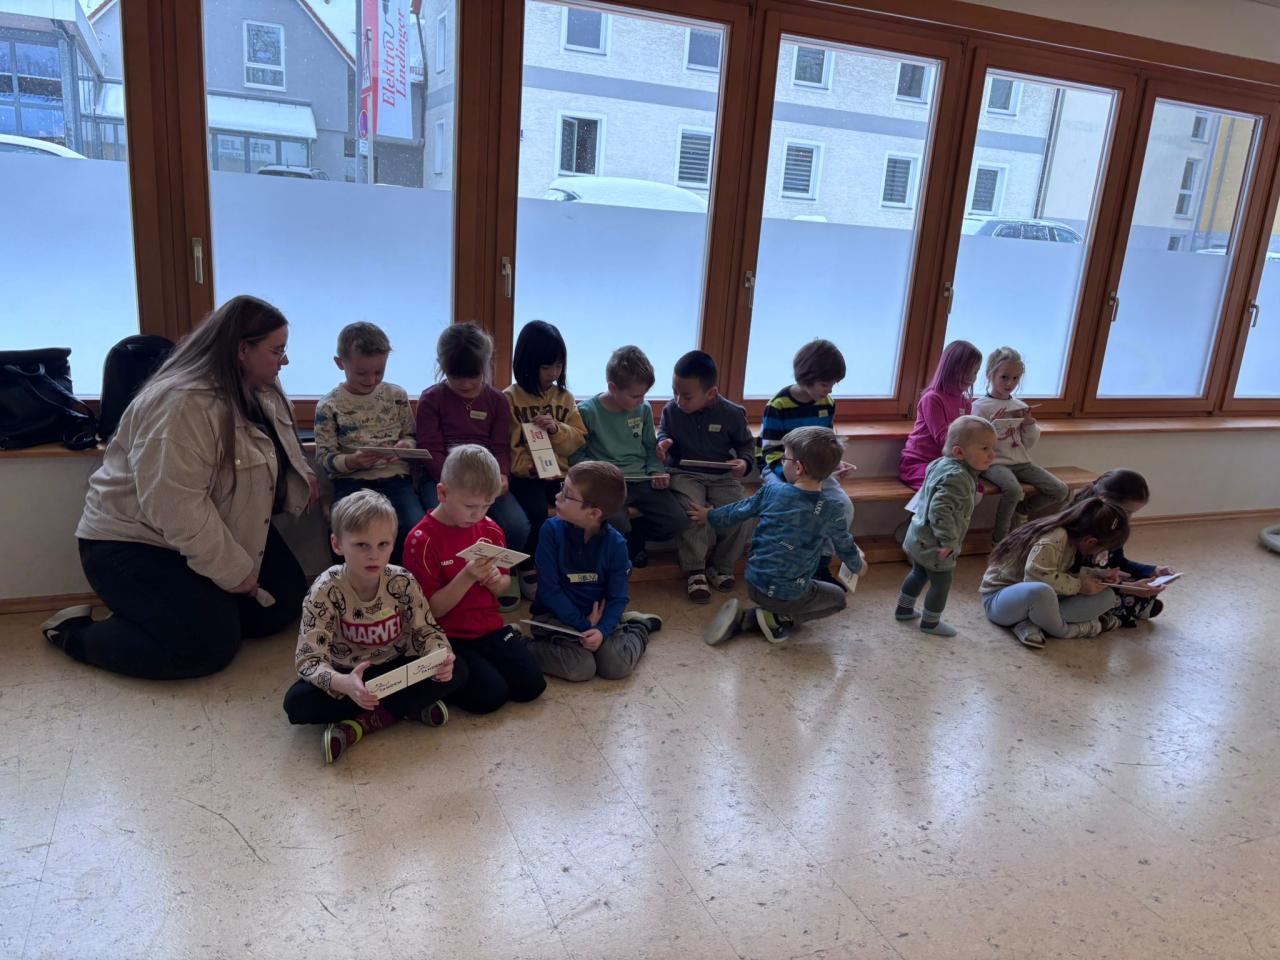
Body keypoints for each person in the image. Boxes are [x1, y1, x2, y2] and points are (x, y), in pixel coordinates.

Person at [42, 295, 318, 679]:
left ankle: (183, 609)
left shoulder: (259, 387)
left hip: (206, 523)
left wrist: (302, 479)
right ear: (242, 350)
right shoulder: (181, 403)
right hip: (133, 541)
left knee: (282, 606)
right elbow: (175, 506)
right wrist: (232, 571)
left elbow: (276, 449)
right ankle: (74, 633)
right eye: (277, 351)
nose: (283, 361)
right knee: (206, 646)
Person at [282, 490, 465, 764]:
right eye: (361, 545)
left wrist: (440, 657)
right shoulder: (324, 590)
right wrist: (344, 684)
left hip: (395, 666)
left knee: (459, 670)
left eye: (383, 544)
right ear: (337, 544)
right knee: (296, 703)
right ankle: (405, 709)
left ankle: (359, 725)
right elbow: (308, 660)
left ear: (393, 544)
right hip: (349, 674)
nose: (374, 555)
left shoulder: (402, 581)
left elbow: (428, 631)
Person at [402, 444, 547, 713]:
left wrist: (495, 581)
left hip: (488, 628)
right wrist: (467, 575)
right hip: (448, 635)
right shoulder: (421, 540)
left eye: (487, 506)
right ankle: (437, 680)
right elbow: (432, 610)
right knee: (491, 696)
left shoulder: (491, 529)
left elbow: (503, 585)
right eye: (470, 506)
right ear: (442, 493)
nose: (478, 514)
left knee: (532, 686)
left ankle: (485, 662)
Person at [697, 426, 866, 646]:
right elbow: (845, 547)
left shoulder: (772, 491)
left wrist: (709, 515)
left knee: (801, 579)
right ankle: (773, 618)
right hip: (789, 593)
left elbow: (737, 511)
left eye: (784, 458)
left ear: (798, 467)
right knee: (838, 599)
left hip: (754, 583)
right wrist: (859, 566)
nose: (782, 462)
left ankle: (762, 615)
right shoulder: (832, 510)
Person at [415, 323, 527, 610]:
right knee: (445, 525)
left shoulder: (497, 401)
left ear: (486, 366)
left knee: (516, 524)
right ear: (442, 366)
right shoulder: (432, 399)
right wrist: (456, 484)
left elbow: (500, 446)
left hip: (485, 479)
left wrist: (502, 475)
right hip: (445, 480)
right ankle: (451, 582)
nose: (465, 385)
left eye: (473, 377)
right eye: (456, 377)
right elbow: (430, 449)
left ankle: (501, 573)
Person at [527, 461, 663, 682]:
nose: (557, 497)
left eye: (567, 495)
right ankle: (519, 644)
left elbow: (618, 597)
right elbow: (549, 591)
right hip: (556, 616)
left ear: (593, 513)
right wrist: (584, 625)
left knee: (617, 667)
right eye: (562, 488)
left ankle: (639, 626)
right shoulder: (550, 531)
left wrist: (601, 630)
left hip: (598, 618)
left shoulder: (616, 544)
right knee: (580, 668)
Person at [314, 322, 423, 564]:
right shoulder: (329, 405)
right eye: (361, 373)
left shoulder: (396, 395)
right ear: (340, 363)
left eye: (379, 372)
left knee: (414, 525)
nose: (371, 380)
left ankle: (397, 577)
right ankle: (345, 580)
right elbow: (324, 457)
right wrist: (352, 461)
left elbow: (411, 435)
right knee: (345, 527)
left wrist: (405, 446)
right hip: (352, 481)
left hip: (396, 478)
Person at [574, 345, 690, 567]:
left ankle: (635, 538)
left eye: (644, 394)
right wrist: (598, 474)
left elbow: (650, 447)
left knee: (677, 521)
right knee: (616, 522)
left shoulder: (643, 409)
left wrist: (656, 470)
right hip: (609, 484)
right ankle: (624, 551)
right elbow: (577, 456)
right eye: (635, 395)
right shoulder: (587, 412)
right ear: (613, 387)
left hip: (641, 479)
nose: (641, 400)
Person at [757, 339, 856, 589]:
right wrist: (797, 478)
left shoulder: (827, 404)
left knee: (843, 507)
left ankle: (819, 565)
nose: (829, 390)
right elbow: (770, 453)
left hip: (814, 471)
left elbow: (826, 445)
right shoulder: (778, 405)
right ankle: (783, 568)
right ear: (806, 377)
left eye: (833, 384)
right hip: (781, 469)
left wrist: (835, 464)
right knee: (794, 510)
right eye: (825, 384)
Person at [657, 350, 754, 604]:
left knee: (741, 511)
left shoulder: (733, 413)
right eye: (675, 392)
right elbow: (663, 433)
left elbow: (746, 446)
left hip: (722, 476)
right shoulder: (671, 410)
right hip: (685, 473)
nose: (679, 400)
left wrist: (744, 462)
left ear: (711, 393)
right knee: (691, 508)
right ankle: (695, 570)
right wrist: (663, 444)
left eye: (687, 396)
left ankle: (721, 566)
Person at [504, 320, 587, 601]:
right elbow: (508, 446)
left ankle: (568, 563)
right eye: (546, 367)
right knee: (536, 511)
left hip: (559, 473)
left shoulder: (565, 398)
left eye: (558, 366)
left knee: (579, 505)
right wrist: (525, 467)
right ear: (527, 364)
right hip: (526, 476)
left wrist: (555, 429)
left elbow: (577, 438)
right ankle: (527, 566)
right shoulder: (510, 398)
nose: (553, 373)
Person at [980, 497, 1130, 650]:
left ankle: (1032, 624)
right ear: (1090, 541)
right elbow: (1035, 579)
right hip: (999, 600)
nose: (1098, 553)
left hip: (1037, 600)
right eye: (1101, 549)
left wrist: (1097, 574)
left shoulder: (1073, 538)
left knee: (1107, 596)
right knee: (1041, 591)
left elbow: (1059, 573)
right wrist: (1080, 586)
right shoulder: (1055, 538)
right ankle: (1066, 630)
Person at [894, 416, 996, 637]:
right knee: (941, 583)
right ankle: (930, 623)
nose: (992, 455)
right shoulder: (958, 478)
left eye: (992, 448)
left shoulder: (939, 463)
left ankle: (904, 609)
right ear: (959, 452)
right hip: (937, 543)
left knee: (918, 573)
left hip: (918, 535)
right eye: (985, 448)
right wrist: (948, 542)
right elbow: (940, 512)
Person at [970, 347, 1068, 543]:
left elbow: (1028, 443)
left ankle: (1022, 510)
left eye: (1015, 378)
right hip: (994, 463)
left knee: (1060, 490)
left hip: (1021, 461)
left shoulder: (1020, 406)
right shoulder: (980, 406)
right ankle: (1000, 540)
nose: (1010, 383)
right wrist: (991, 426)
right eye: (1004, 377)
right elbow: (974, 442)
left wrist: (1029, 423)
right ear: (990, 375)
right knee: (1014, 490)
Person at [1068, 469, 1177, 626]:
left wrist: (1153, 570)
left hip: (1103, 579)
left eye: (1132, 513)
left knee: (1144, 582)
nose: (1127, 518)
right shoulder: (1083, 527)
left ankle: (1133, 607)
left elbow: (1118, 562)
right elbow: (1075, 576)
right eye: (1126, 511)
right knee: (1108, 597)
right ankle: (1116, 615)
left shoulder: (1114, 526)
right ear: (1103, 499)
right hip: (1077, 585)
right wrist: (1127, 588)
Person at [899, 340, 982, 490]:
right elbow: (944, 439)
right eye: (967, 371)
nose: (971, 377)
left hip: (947, 464)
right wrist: (974, 442)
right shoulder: (932, 399)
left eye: (975, 372)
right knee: (952, 486)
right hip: (920, 463)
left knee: (975, 487)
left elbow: (964, 436)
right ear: (950, 368)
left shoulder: (965, 402)